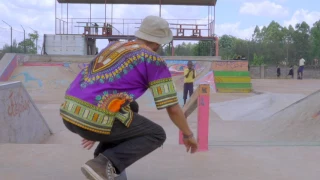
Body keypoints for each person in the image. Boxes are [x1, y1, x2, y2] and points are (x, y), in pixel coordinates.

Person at [60, 15, 198, 180]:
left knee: (132, 107)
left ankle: (103, 159)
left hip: (69, 112)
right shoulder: (153, 59)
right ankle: (102, 164)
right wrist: (188, 134)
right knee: (156, 134)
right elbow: (173, 108)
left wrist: (89, 126)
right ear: (158, 43)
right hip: (94, 118)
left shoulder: (114, 46)